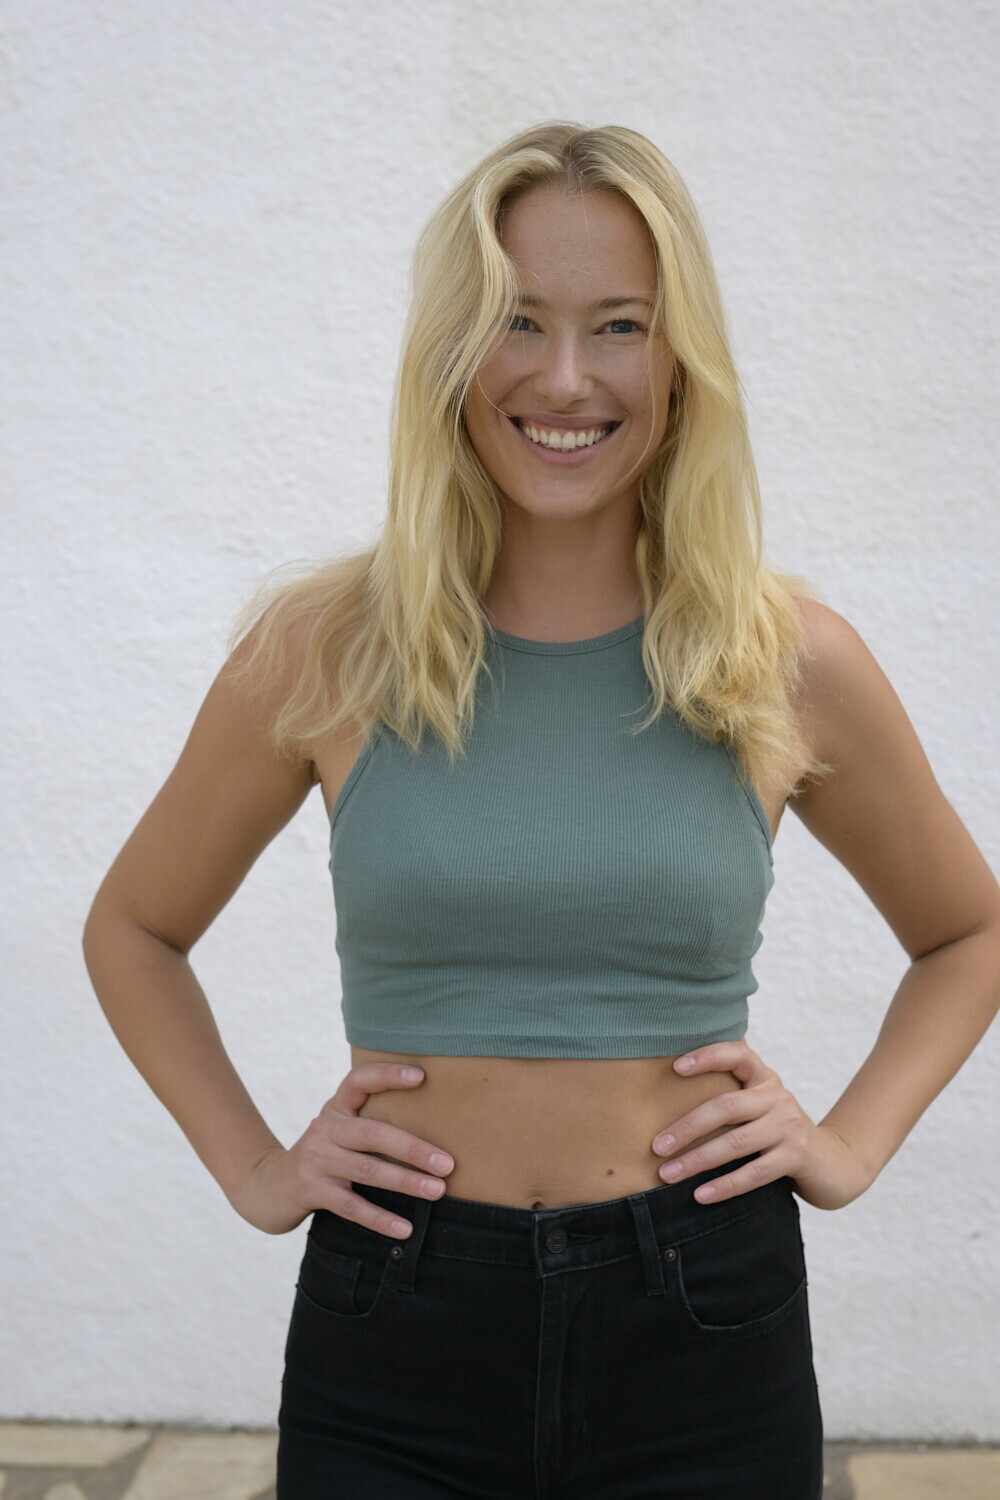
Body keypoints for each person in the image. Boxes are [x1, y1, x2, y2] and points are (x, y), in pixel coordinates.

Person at [83, 121, 1000, 1500]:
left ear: (680, 362)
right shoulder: (327, 650)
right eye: (518, 320)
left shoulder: (785, 661)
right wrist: (257, 1169)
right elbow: (135, 930)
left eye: (619, 325)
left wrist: (851, 1143)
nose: (565, 378)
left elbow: (969, 934)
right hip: (396, 1326)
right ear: (453, 351)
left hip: (703, 1321)